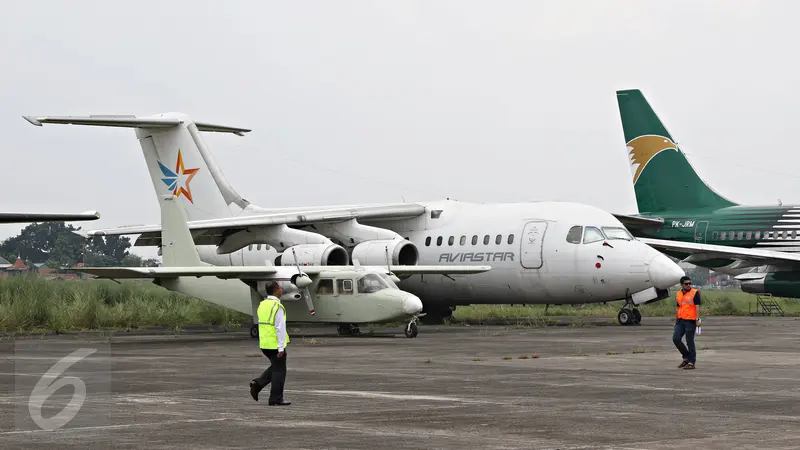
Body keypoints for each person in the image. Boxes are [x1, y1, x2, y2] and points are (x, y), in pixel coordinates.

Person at [249, 281, 291, 405]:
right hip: (275, 344)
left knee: (276, 367)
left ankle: (258, 384)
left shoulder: (262, 305)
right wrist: (281, 347)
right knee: (279, 371)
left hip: (264, 343)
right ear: (276, 290)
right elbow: (280, 327)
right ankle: (275, 398)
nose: (281, 291)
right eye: (280, 288)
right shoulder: (277, 306)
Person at [673, 275, 701, 370]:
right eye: (686, 284)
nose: (689, 285)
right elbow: (678, 307)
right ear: (681, 285)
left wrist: (697, 319)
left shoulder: (695, 293)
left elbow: (697, 307)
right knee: (676, 339)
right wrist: (676, 320)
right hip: (680, 321)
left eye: (690, 283)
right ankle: (686, 357)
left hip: (690, 321)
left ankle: (691, 362)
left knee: (690, 342)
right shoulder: (678, 294)